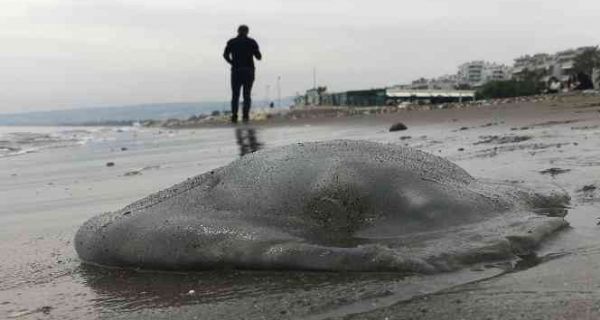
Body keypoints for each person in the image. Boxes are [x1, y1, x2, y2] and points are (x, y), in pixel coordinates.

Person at [223, 25, 262, 123]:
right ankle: (245, 116)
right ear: (247, 32)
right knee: (247, 94)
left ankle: (234, 116)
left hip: (236, 70)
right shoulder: (251, 42)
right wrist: (254, 51)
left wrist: (232, 62)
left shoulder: (231, 42)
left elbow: (225, 55)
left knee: (235, 94)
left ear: (238, 31)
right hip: (249, 70)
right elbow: (259, 57)